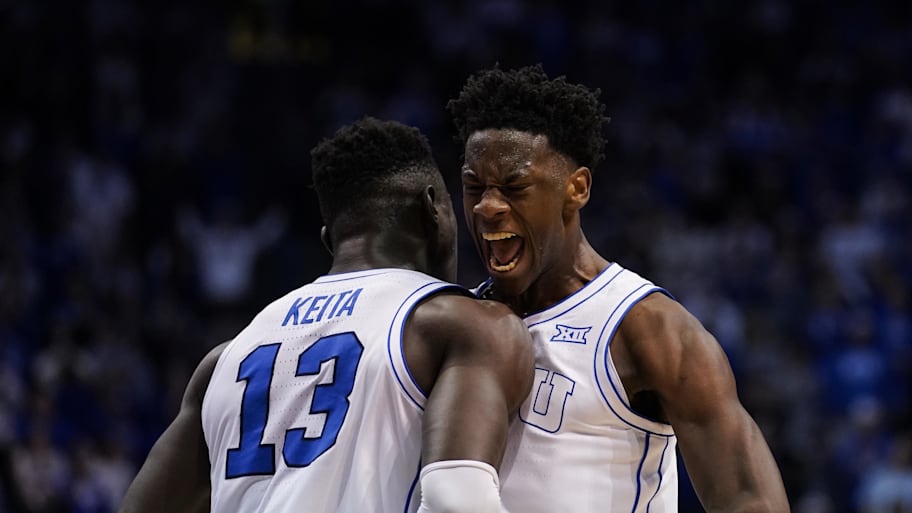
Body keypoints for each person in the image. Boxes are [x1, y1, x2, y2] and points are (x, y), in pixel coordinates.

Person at [118, 117, 535, 513]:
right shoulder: (455, 325)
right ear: (433, 208)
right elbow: (457, 501)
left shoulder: (224, 360)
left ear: (329, 241)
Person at [446, 64, 791, 513]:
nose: (489, 206)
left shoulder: (647, 326)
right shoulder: (456, 321)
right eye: (474, 186)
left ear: (577, 188)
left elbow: (749, 499)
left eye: (515, 187)